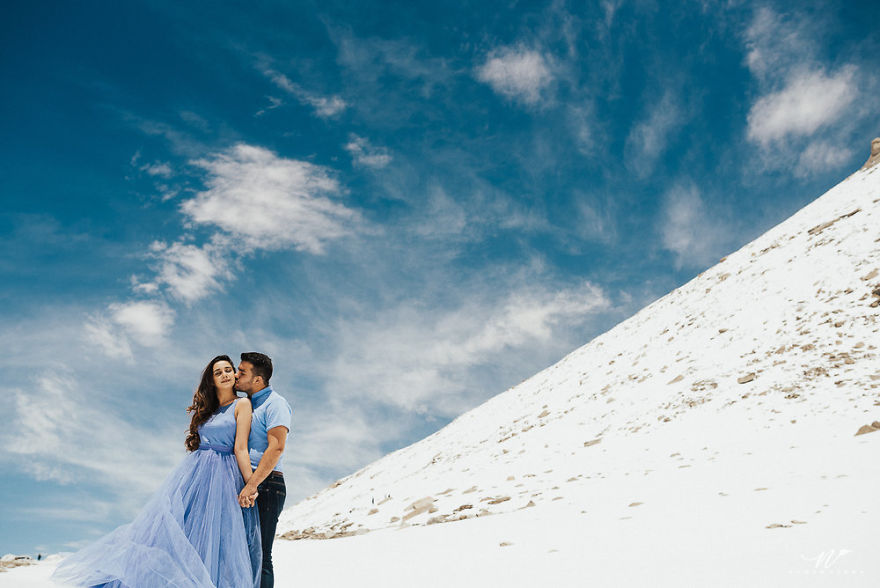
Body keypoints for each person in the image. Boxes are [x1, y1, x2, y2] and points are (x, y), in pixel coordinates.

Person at [52, 355, 261, 588]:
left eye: (228, 370)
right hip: (195, 474)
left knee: (216, 537)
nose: (224, 374)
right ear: (211, 381)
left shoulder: (242, 404)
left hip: (223, 476)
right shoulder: (207, 409)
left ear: (235, 375)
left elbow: (240, 447)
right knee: (178, 532)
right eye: (217, 372)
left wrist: (250, 484)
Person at [234, 352, 292, 588]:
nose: (236, 375)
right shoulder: (245, 405)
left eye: (242, 372)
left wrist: (252, 484)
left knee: (260, 554)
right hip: (249, 483)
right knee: (241, 552)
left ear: (258, 380)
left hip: (266, 485)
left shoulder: (275, 403)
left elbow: (276, 447)